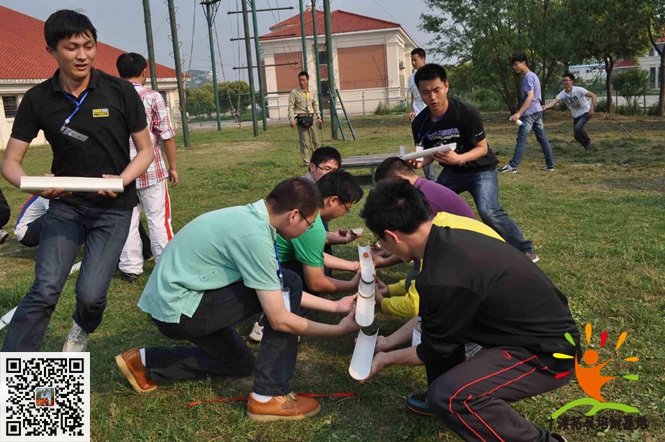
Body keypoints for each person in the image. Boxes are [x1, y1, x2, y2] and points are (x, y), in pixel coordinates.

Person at [115, 178, 361, 421]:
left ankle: (144, 361)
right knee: (290, 282)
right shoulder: (254, 236)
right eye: (309, 224)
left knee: (241, 364)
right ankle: (269, 395)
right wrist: (337, 330)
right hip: (181, 310)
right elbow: (280, 319)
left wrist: (335, 306)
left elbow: (273, 283)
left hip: (177, 302)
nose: (308, 230)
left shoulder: (250, 218)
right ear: (294, 215)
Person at [359, 180, 578, 442]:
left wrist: (385, 358)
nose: (383, 247)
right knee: (443, 367)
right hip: (530, 333)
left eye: (380, 240)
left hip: (548, 354)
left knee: (449, 397)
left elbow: (431, 351)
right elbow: (431, 320)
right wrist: (388, 344)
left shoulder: (442, 275)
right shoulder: (449, 237)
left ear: (392, 235)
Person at [0, 10, 154, 352]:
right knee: (45, 289)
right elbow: (10, 161)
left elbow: (146, 150)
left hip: (114, 209)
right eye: (71, 48)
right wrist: (33, 184)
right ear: (51, 50)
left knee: (91, 296)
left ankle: (81, 327)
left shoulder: (120, 92)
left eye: (89, 45)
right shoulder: (38, 99)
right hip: (65, 207)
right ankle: (12, 369)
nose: (82, 55)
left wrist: (122, 179)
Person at [410, 64, 539, 262]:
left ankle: (524, 250)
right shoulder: (420, 123)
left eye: (437, 90)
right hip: (452, 172)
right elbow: (426, 154)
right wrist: (418, 161)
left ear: (446, 86)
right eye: (426, 93)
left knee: (488, 211)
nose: (433, 97)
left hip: (481, 169)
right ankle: (426, 253)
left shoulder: (466, 112)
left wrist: (459, 158)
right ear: (420, 93)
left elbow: (482, 148)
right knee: (426, 206)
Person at [116, 53, 178, 283]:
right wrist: (172, 167)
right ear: (145, 72)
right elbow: (166, 135)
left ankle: (130, 267)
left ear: (119, 72)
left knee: (127, 220)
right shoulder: (152, 97)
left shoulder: (111, 97)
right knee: (158, 218)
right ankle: (165, 263)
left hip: (122, 172)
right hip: (151, 169)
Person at [500, 52, 555, 173]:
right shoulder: (533, 75)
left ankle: (512, 166)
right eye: (513, 65)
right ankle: (550, 164)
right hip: (537, 111)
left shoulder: (528, 77)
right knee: (542, 138)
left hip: (530, 113)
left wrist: (519, 113)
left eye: (516, 64)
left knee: (521, 139)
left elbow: (530, 97)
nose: (514, 67)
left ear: (523, 63)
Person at [542, 72, 597, 150]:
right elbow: (554, 102)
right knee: (576, 136)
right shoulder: (562, 93)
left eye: (566, 80)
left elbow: (593, 96)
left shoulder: (578, 89)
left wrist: (592, 109)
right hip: (576, 115)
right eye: (563, 81)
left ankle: (589, 142)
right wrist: (546, 107)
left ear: (572, 81)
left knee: (578, 128)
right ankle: (587, 146)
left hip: (586, 112)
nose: (564, 82)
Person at [407, 48, 436, 181]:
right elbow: (413, 96)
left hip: (431, 115)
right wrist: (411, 110)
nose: (413, 62)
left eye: (415, 60)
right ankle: (431, 178)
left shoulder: (431, 75)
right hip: (418, 118)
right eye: (412, 60)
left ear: (423, 59)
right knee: (421, 148)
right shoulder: (411, 78)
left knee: (438, 144)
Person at [288, 71, 322, 166]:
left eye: (303, 80)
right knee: (304, 142)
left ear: (307, 80)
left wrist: (319, 116)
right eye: (300, 80)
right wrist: (292, 119)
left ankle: (317, 160)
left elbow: (315, 104)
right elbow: (291, 106)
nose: (301, 82)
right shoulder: (294, 92)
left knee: (315, 141)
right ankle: (306, 162)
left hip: (311, 118)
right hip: (301, 119)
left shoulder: (312, 91)